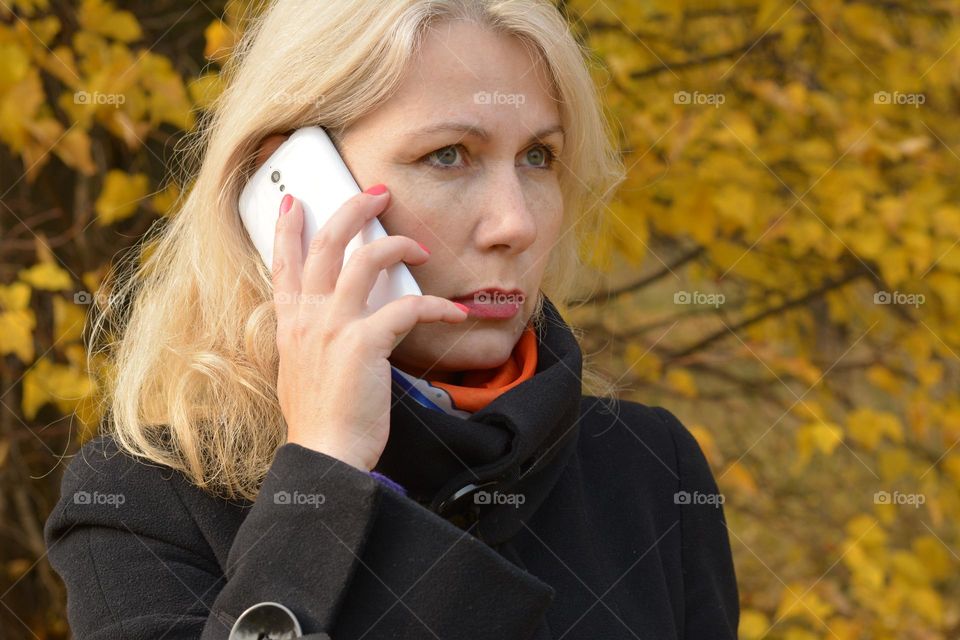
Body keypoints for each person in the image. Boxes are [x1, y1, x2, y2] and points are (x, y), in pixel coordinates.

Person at [44, 0, 739, 638]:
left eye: (538, 157)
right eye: (447, 156)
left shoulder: (649, 470)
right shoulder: (146, 500)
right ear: (295, 186)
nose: (515, 224)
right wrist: (322, 472)